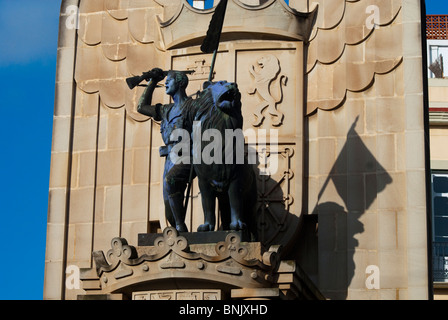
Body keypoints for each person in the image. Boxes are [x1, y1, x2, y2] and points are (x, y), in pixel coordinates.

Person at [137, 68, 196, 232]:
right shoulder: (166, 110)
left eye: (168, 81)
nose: (166, 85)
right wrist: (153, 81)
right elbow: (141, 107)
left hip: (187, 154)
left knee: (170, 180)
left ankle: (180, 226)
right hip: (170, 157)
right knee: (168, 207)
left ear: (180, 83)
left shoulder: (192, 106)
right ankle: (178, 226)